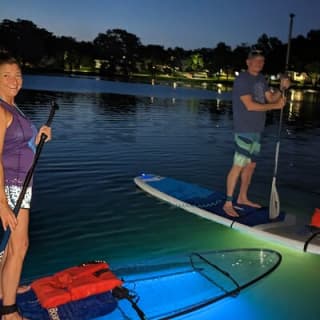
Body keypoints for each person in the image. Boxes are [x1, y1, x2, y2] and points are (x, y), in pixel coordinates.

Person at [0, 52, 52, 320]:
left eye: (17, 74)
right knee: (19, 247)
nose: (14, 80)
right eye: (6, 75)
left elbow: (18, 144)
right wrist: (1, 202)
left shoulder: (13, 106)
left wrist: (38, 136)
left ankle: (3, 290)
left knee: (11, 247)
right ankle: (8, 312)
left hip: (21, 185)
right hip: (10, 186)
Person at [223, 50, 290, 217]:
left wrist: (281, 89)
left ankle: (242, 197)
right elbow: (250, 106)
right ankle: (228, 202)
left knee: (251, 165)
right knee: (238, 165)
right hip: (244, 129)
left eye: (262, 61)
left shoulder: (261, 79)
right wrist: (275, 107)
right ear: (248, 62)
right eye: (256, 61)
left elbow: (270, 98)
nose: (260, 64)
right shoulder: (242, 80)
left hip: (257, 129)